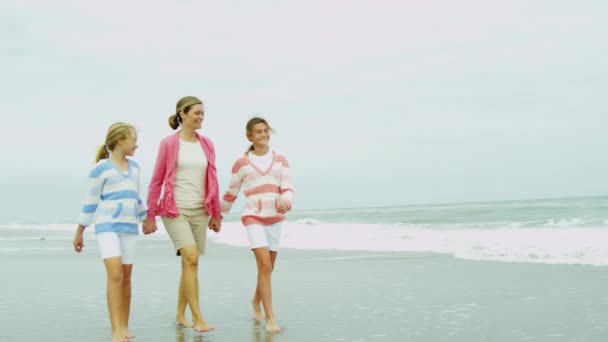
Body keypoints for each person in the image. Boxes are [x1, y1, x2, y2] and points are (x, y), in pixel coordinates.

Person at [142, 96, 222, 332]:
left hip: (200, 210)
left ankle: (180, 314)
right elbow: (156, 180)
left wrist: (216, 213)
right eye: (196, 112)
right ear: (182, 114)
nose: (201, 117)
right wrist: (150, 214)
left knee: (190, 264)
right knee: (191, 257)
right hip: (174, 209)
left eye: (202, 113)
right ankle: (198, 318)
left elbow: (213, 179)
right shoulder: (168, 143)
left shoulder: (207, 143)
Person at [73, 122, 146, 342]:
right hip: (107, 227)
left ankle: (124, 326)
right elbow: (91, 201)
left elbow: (136, 197)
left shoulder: (135, 168)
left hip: (129, 227)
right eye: (133, 140)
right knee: (115, 274)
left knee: (126, 277)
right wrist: (80, 231)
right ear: (119, 141)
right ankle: (115, 330)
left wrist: (147, 218)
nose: (136, 145)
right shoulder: (100, 169)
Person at [221, 116, 294, 333]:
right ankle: (270, 317)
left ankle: (255, 300)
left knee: (270, 267)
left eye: (265, 131)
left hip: (275, 219)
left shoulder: (280, 159)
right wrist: (218, 216)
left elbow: (288, 187)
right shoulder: (242, 163)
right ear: (249, 136)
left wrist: (286, 201)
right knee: (263, 265)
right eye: (258, 132)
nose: (263, 135)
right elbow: (231, 192)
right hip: (253, 217)